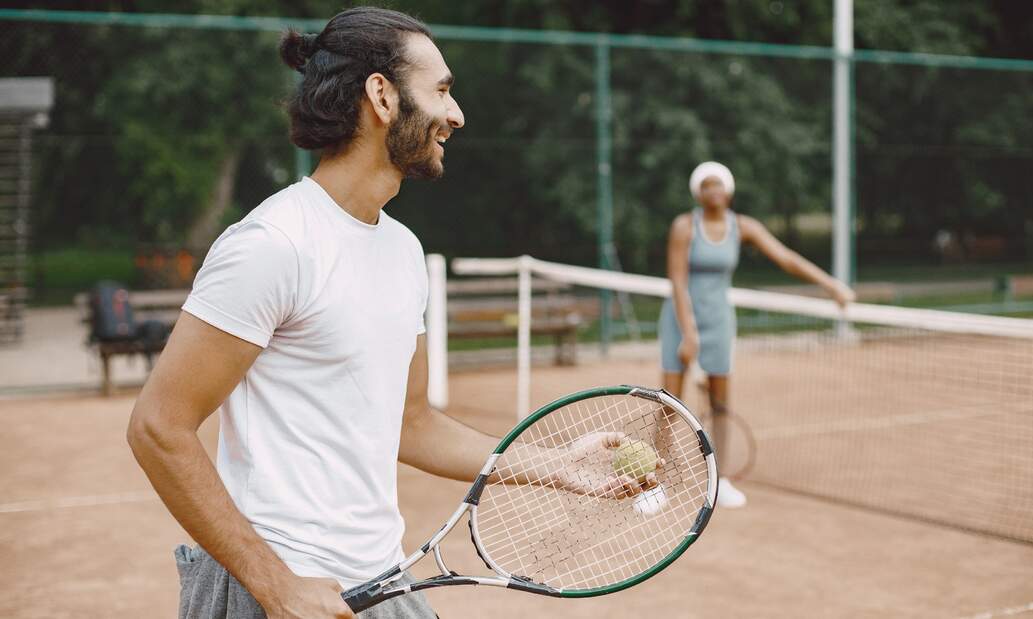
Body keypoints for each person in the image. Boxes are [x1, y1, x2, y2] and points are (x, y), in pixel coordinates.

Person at [126, 8, 652, 619]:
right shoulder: (274, 243)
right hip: (278, 587)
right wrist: (274, 585)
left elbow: (413, 423)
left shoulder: (403, 251)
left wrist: (558, 466)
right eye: (442, 91)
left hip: (381, 581)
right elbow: (158, 427)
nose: (456, 115)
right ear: (381, 94)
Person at [658, 161, 855, 508]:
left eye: (718, 184)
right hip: (680, 319)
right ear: (697, 192)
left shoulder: (743, 226)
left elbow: (787, 258)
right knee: (669, 404)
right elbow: (677, 281)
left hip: (719, 321)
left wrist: (832, 286)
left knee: (720, 404)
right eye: (706, 185)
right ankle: (652, 485)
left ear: (729, 190)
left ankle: (719, 479)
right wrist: (688, 335)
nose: (713, 190)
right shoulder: (684, 226)